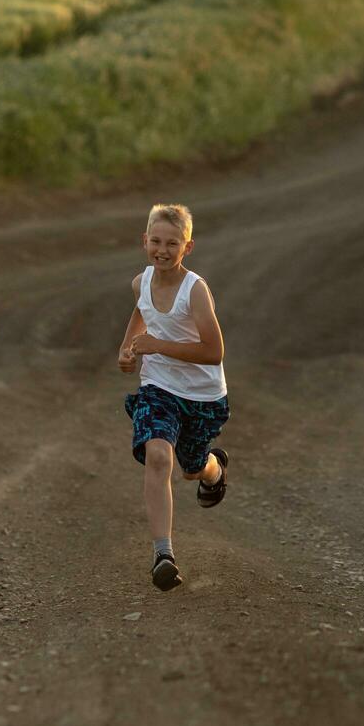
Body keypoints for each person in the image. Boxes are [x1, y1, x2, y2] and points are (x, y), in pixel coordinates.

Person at [117, 203, 229, 592]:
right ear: (144, 241)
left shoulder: (195, 291)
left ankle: (214, 469)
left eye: (172, 243)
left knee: (192, 468)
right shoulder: (140, 282)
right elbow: (141, 311)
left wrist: (158, 345)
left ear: (188, 247)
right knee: (159, 455)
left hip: (202, 397)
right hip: (158, 389)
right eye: (156, 242)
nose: (162, 250)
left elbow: (214, 352)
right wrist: (128, 348)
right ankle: (163, 555)